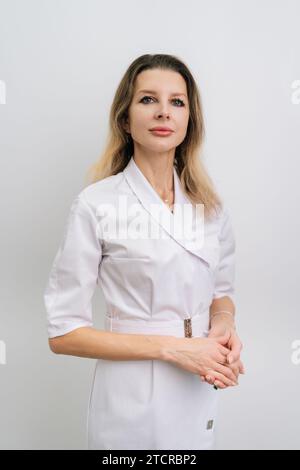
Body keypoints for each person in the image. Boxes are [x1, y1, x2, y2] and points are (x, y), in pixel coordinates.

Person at [43, 53, 244, 450]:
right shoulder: (96, 204)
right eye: (148, 100)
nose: (163, 112)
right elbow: (63, 333)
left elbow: (222, 293)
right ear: (125, 118)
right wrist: (174, 347)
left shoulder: (209, 207)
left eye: (177, 102)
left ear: (190, 120)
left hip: (199, 383)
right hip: (131, 397)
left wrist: (223, 329)